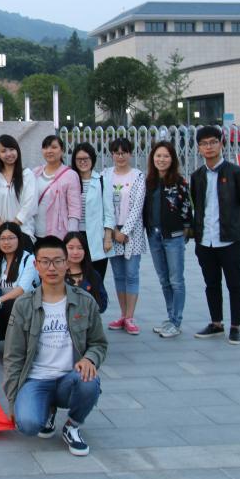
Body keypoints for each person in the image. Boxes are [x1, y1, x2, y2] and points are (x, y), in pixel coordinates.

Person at [3, 235, 108, 458]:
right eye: (45, 261)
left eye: (57, 261)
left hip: (70, 377)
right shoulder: (23, 305)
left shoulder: (85, 301)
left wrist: (89, 359)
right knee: (27, 425)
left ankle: (72, 425)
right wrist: (13, 403)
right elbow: (13, 356)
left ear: (67, 263)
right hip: (36, 380)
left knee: (89, 381)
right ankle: (47, 410)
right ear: (36, 265)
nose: (51, 268)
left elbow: (98, 343)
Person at [190, 126, 240, 345]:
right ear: (199, 148)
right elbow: (198, 206)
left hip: (230, 240)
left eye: (213, 142)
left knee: (234, 283)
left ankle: (236, 326)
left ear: (221, 144)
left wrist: (238, 231)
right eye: (204, 143)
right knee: (211, 284)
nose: (208, 147)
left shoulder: (237, 173)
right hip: (205, 241)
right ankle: (216, 323)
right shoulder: (197, 176)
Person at [143, 141, 193, 339]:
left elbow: (186, 208)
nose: (161, 159)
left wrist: (186, 231)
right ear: (152, 158)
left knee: (176, 280)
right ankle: (170, 317)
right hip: (154, 236)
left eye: (166, 156)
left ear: (172, 159)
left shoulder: (179, 182)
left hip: (173, 236)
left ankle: (176, 321)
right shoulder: (149, 181)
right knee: (164, 279)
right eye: (158, 156)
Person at [103, 137, 146, 335]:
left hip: (132, 234)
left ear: (130, 154)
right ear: (112, 154)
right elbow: (104, 204)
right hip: (112, 233)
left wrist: (125, 231)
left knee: (132, 274)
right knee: (119, 275)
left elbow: (137, 207)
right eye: (116, 152)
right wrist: (113, 231)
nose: (120, 156)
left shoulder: (138, 176)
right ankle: (122, 314)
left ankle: (130, 316)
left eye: (124, 152)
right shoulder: (105, 175)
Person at [0, 222, 39, 343]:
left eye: (11, 238)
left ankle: (17, 346)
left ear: (19, 239)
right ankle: (9, 345)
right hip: (5, 308)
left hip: (26, 307)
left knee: (12, 304)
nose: (6, 242)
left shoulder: (29, 259)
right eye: (2, 238)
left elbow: (21, 289)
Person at [70, 142, 115, 280]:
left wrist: (108, 238)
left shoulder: (102, 181)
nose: (82, 162)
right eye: (79, 159)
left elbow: (109, 213)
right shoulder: (70, 180)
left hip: (96, 238)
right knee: (77, 278)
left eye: (86, 158)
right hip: (76, 235)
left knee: (96, 279)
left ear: (92, 159)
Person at [0, 134, 37, 252]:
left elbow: (30, 203)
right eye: (3, 151)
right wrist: (0, 224)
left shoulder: (27, 174)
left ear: (17, 151)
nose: (8, 154)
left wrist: (14, 225)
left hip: (23, 232)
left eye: (12, 149)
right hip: (0, 234)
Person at [33, 135, 81, 240]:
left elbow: (74, 209)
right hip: (35, 232)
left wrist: (71, 236)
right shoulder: (35, 172)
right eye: (45, 147)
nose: (49, 151)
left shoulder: (71, 175)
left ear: (62, 150)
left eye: (54, 147)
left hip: (59, 234)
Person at [64, 231, 108, 313]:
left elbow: (102, 304)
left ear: (85, 250)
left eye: (80, 248)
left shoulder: (93, 275)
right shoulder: (58, 274)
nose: (75, 252)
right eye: (71, 248)